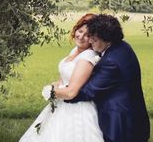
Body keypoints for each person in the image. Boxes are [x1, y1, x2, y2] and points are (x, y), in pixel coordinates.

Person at [58, 14, 150, 142]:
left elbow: (88, 91)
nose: (90, 42)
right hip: (133, 119)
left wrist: (59, 93)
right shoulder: (123, 47)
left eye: (94, 39)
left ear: (107, 39)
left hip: (118, 124)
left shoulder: (111, 61)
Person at [19, 13, 104, 141]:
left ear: (93, 38)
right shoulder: (75, 51)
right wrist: (54, 85)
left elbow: (71, 92)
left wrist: (50, 92)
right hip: (62, 102)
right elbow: (65, 78)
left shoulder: (87, 58)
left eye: (87, 35)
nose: (81, 36)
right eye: (80, 31)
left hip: (77, 108)